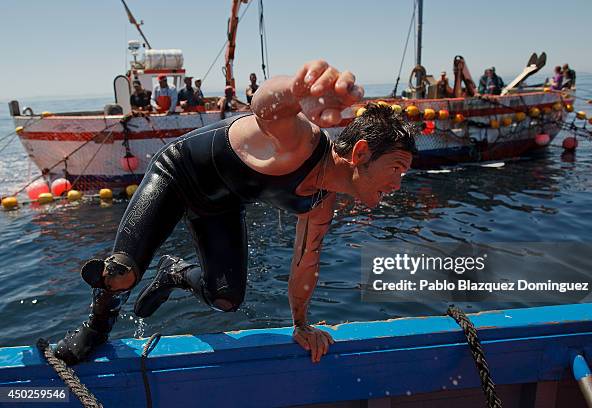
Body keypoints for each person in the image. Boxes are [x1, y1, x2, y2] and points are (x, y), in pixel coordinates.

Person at [53, 59, 418, 365]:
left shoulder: (322, 199)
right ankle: (94, 329)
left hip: (220, 205)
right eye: (397, 168)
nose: (398, 184)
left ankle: (175, 273)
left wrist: (301, 324)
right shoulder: (302, 141)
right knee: (121, 273)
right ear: (361, 153)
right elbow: (265, 107)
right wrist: (296, 90)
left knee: (225, 299)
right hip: (176, 175)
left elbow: (305, 264)